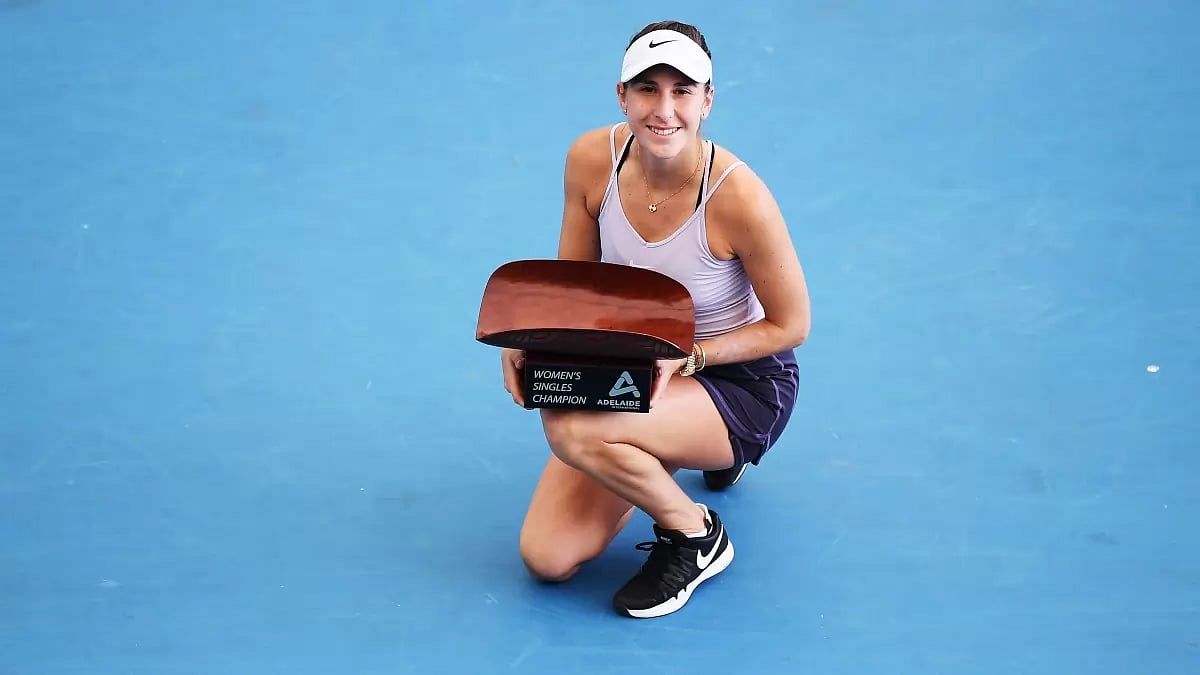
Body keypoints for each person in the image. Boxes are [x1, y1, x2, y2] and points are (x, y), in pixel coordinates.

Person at [500, 20, 811, 619]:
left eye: (682, 91)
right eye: (647, 88)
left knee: (572, 428)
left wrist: (689, 358)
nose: (664, 110)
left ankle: (695, 534)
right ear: (622, 95)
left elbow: (790, 326)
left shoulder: (740, 198)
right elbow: (574, 289)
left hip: (740, 379)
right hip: (640, 366)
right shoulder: (591, 160)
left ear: (707, 100)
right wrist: (527, 341)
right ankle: (684, 447)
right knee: (547, 556)